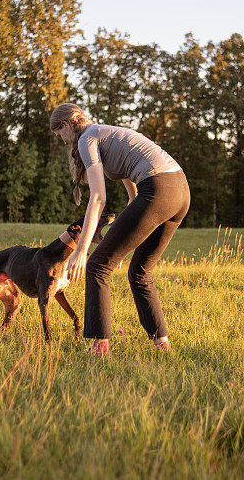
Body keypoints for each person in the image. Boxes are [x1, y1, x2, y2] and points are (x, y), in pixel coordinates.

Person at [49, 103, 191, 355]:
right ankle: (162, 344)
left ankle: (99, 345)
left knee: (97, 265)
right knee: (140, 272)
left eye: (59, 134)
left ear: (66, 125)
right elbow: (132, 191)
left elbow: (98, 197)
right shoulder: (108, 133)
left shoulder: (87, 139)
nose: (61, 140)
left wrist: (81, 250)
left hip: (157, 188)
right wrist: (123, 243)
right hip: (179, 190)